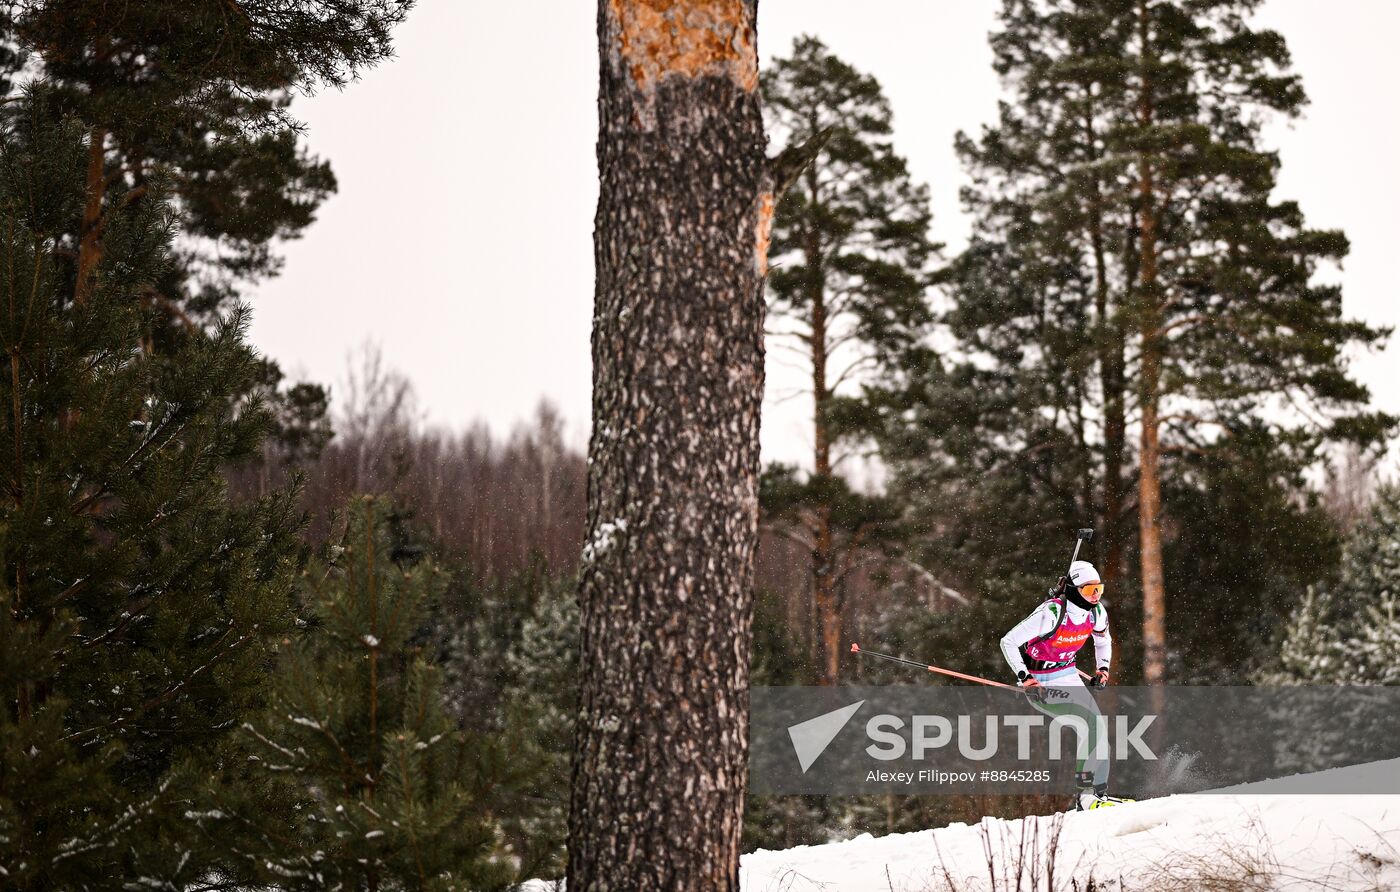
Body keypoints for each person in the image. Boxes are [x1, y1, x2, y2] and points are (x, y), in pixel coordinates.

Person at [1000, 560, 1126, 811]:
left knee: (1098, 732)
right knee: (1089, 725)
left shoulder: (1097, 613)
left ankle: (1099, 794)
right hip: (1043, 684)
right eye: (1090, 590)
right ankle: (1085, 795)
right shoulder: (1052, 614)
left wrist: (1103, 669)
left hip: (1068, 675)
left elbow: (1103, 641)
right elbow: (1008, 642)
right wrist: (1026, 678)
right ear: (1073, 589)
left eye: (1099, 589)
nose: (1095, 596)